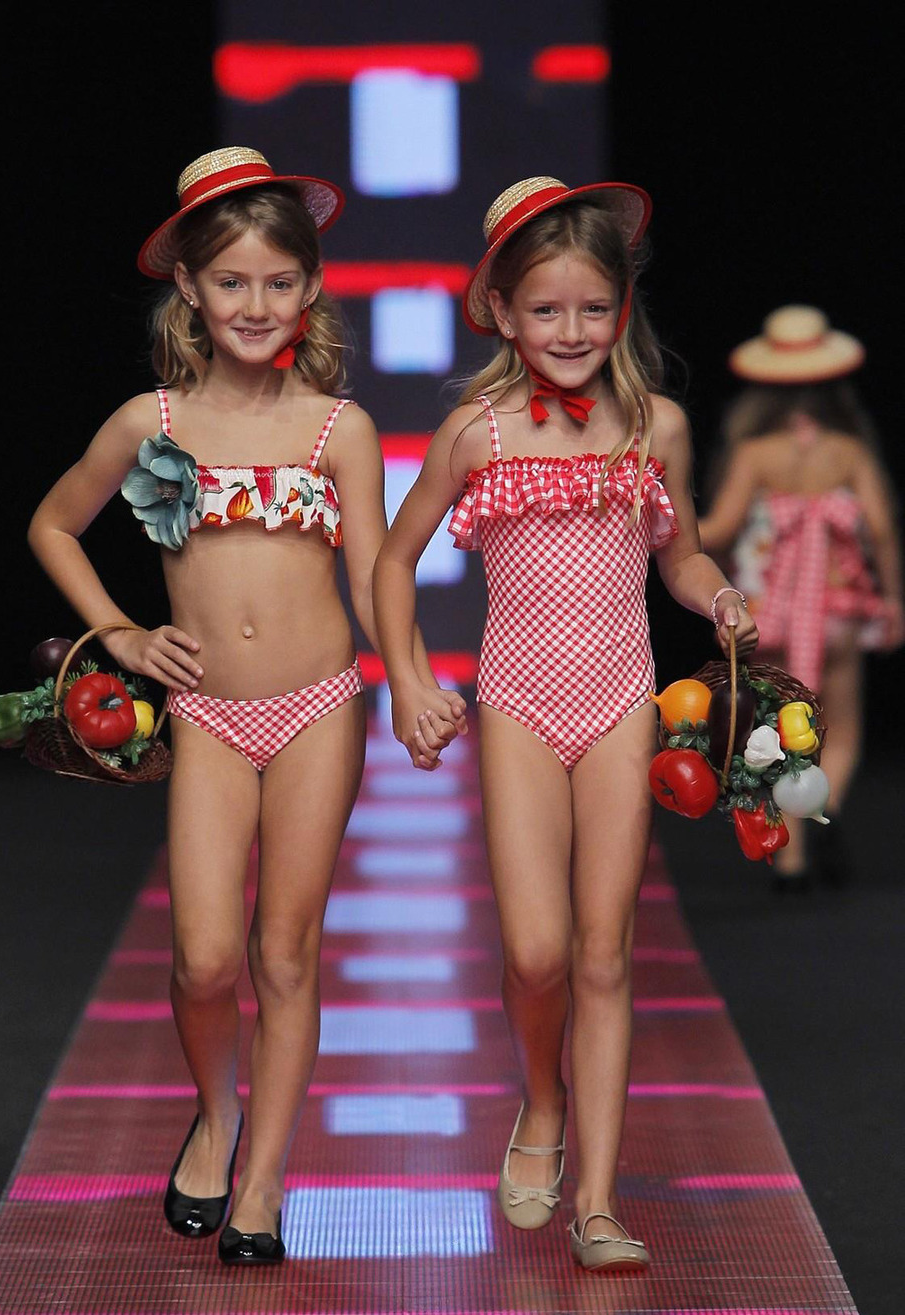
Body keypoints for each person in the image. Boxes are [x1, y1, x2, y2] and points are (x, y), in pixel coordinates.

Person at [28, 146, 463, 1265]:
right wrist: (122, 634)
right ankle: (216, 1114)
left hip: (319, 705)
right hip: (209, 711)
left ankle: (264, 1177)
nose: (256, 305)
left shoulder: (338, 427)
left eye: (278, 281)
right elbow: (53, 523)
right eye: (231, 282)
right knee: (204, 958)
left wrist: (411, 681)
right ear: (189, 287)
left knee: (285, 954)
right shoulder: (151, 421)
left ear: (309, 287)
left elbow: (376, 574)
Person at [372, 175, 758, 1272]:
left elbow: (679, 554)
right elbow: (393, 563)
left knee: (602, 952)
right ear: (500, 310)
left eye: (593, 307)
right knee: (536, 952)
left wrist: (718, 595)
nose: (572, 330)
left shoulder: (656, 425)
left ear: (621, 308)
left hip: (620, 700)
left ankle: (597, 1199)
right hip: (519, 706)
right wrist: (407, 680)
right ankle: (539, 1099)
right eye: (546, 308)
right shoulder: (475, 432)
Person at [698, 305, 904, 889]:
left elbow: (721, 529)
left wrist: (668, 527)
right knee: (841, 726)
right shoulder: (848, 450)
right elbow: (881, 529)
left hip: (772, 614)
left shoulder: (755, 451)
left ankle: (789, 861)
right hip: (838, 610)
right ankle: (822, 811)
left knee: (780, 733)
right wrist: (893, 600)